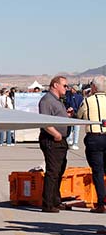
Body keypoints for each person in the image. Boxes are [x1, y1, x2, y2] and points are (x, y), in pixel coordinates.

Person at [38, 76, 74, 213]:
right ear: (55, 85)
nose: (67, 88)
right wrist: (56, 134)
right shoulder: (47, 100)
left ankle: (55, 200)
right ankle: (47, 204)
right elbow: (44, 121)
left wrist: (67, 116)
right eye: (64, 85)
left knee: (59, 171)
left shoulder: (58, 101)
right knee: (52, 172)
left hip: (60, 141)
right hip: (52, 140)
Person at [77, 76, 106, 213]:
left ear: (93, 87)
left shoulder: (88, 101)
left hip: (94, 138)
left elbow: (79, 116)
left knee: (98, 172)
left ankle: (101, 203)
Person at [65, 85, 83, 150]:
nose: (71, 90)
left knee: (76, 129)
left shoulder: (79, 97)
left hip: (76, 115)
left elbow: (81, 106)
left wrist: (75, 111)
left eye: (73, 89)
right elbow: (66, 103)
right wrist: (67, 109)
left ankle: (75, 143)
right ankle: (69, 140)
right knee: (69, 128)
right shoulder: (68, 95)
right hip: (69, 115)